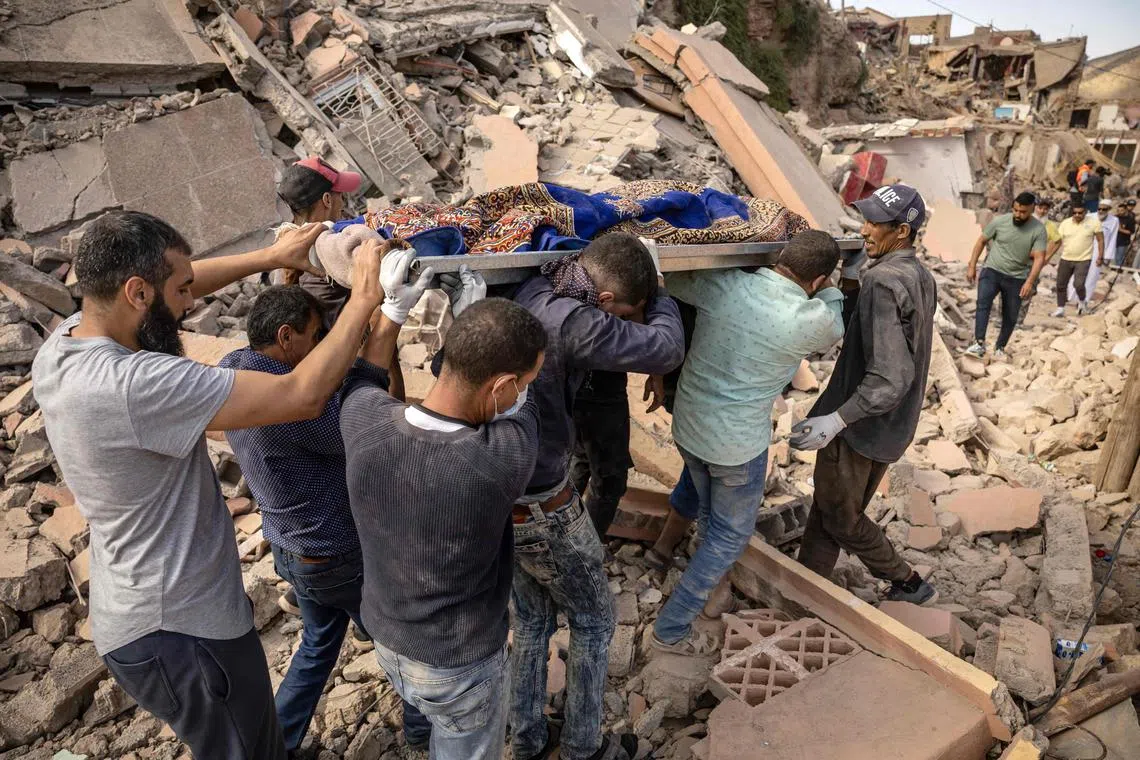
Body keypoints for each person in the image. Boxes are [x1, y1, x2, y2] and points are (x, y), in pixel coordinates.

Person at [32, 210, 385, 759]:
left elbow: (180, 284)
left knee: (253, 740)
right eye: (180, 290)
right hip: (182, 626)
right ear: (137, 291)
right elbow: (300, 397)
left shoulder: (65, 344)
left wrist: (271, 257)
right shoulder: (136, 382)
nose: (191, 302)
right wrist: (366, 299)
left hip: (145, 613)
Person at [217, 286, 430, 756]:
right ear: (286, 337)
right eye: (316, 336)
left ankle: (276, 743)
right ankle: (422, 732)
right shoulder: (297, 410)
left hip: (293, 551)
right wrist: (379, 345)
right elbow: (374, 421)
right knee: (402, 639)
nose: (322, 345)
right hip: (335, 551)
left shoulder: (236, 367)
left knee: (317, 645)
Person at [343, 286, 546, 760]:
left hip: (386, 633)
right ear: (500, 387)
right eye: (524, 382)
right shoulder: (498, 461)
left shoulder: (362, 420)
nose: (525, 393)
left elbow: (364, 376)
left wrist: (391, 311)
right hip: (457, 663)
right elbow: (522, 416)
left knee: (422, 707)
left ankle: (420, 735)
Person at [510, 233, 684, 760]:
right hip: (545, 502)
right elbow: (666, 347)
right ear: (606, 302)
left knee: (535, 620)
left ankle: (528, 738)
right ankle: (585, 748)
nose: (628, 321)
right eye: (629, 313)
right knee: (593, 621)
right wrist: (661, 290)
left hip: (506, 492)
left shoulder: (540, 285)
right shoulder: (574, 321)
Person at [649, 230, 846, 655]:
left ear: (780, 258)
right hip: (736, 445)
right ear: (817, 280)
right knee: (728, 536)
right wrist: (829, 290)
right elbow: (836, 319)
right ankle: (671, 626)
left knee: (704, 499)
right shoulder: (809, 318)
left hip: (689, 424)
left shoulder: (727, 285)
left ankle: (667, 555)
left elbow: (676, 277)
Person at [792, 184, 938, 606]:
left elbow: (890, 376)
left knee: (841, 517)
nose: (865, 228)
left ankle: (907, 580)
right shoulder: (918, 275)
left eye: (876, 222)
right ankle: (806, 588)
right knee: (828, 506)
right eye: (866, 218)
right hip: (889, 423)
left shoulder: (885, 282)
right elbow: (884, 336)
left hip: (861, 425)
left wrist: (837, 419)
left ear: (902, 233)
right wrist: (853, 283)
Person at [276, 155, 360, 327]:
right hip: (341, 342)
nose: (342, 203)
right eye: (340, 195)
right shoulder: (329, 243)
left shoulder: (284, 241)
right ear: (327, 200)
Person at [964, 191, 1047, 359]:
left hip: (1017, 277)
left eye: (1023, 212)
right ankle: (979, 343)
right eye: (1015, 210)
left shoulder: (1038, 230)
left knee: (1010, 315)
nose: (1018, 214)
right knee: (983, 304)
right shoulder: (1000, 221)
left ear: (1032, 209)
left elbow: (1039, 258)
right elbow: (981, 241)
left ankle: (1000, 347)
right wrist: (972, 265)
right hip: (992, 270)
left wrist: (1029, 282)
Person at [570, 369, 635, 538]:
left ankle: (561, 538)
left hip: (577, 381)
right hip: (599, 388)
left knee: (580, 457)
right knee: (610, 482)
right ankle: (584, 551)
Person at [1052, 204, 1105, 317]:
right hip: (1066, 258)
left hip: (1083, 259)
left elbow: (1100, 240)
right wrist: (1047, 256)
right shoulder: (1065, 223)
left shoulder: (1093, 222)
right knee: (1061, 284)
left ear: (1085, 212)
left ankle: (1082, 302)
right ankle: (1060, 308)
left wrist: (1100, 256)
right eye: (1075, 213)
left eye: (1080, 213)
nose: (1077, 215)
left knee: (1079, 284)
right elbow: (1058, 242)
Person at [1017, 197, 1062, 324]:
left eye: (1045, 209)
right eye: (1040, 208)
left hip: (1034, 262)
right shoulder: (1025, 221)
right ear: (1034, 208)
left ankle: (1019, 321)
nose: (1042, 211)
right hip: (1018, 259)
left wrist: (1047, 257)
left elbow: (1058, 241)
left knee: (1028, 289)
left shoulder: (1049, 225)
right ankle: (1004, 319)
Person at [1115, 199, 1135, 268]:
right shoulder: (1115, 217)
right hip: (1114, 241)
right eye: (1118, 210)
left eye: (1121, 210)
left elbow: (1131, 232)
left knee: (1119, 259)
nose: (1119, 212)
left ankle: (1118, 274)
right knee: (1114, 259)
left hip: (1123, 242)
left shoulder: (1130, 219)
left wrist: (1120, 230)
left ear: (1126, 210)